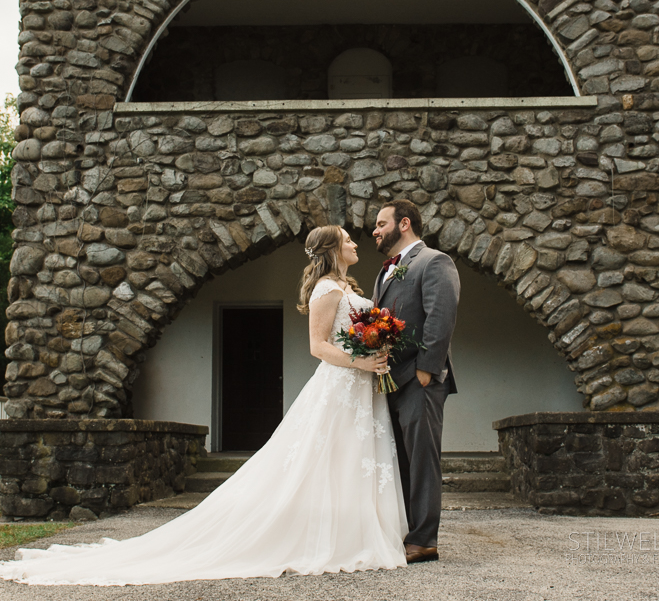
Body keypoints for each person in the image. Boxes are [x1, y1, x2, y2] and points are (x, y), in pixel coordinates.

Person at [0, 226, 407, 586]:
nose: (355, 242)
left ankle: (353, 531)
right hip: (339, 385)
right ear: (332, 249)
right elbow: (318, 347)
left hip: (360, 387)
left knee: (351, 459)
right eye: (348, 240)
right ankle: (325, 538)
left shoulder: (347, 287)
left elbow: (353, 334)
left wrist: (376, 349)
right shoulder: (326, 289)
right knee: (321, 461)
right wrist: (362, 361)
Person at [372, 199, 460, 565]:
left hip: (420, 380)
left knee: (422, 459)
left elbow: (441, 312)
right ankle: (405, 531)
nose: (375, 230)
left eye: (381, 223)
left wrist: (427, 368)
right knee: (401, 460)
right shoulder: (385, 271)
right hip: (392, 382)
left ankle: (424, 540)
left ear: (403, 223)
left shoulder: (433, 261)